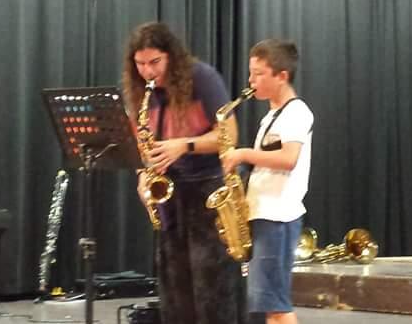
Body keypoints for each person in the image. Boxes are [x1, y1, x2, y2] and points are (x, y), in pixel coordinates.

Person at [122, 21, 246, 324]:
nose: (147, 71)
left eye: (155, 62)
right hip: (172, 192)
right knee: (175, 289)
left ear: (171, 56)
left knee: (212, 287)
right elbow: (140, 142)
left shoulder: (202, 78)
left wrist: (184, 145)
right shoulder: (141, 91)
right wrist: (142, 174)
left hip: (210, 187)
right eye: (140, 64)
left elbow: (229, 135)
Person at [221, 39, 313, 324]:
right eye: (251, 73)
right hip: (264, 215)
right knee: (268, 305)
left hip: (278, 217)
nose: (251, 81)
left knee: (276, 306)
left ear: (282, 75)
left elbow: (289, 158)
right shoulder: (272, 115)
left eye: (258, 74)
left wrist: (243, 154)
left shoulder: (296, 112)